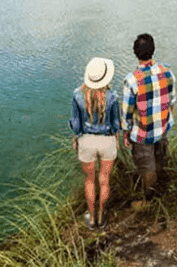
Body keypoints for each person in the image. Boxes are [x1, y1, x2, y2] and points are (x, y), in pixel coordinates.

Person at [120, 33, 176, 206]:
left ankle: (150, 202)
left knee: (147, 167)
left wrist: (126, 133)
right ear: (153, 50)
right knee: (160, 159)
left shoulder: (132, 80)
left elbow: (126, 112)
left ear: (135, 53)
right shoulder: (167, 72)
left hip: (143, 133)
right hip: (163, 127)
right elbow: (172, 100)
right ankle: (162, 191)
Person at [71, 56, 122, 229]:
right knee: (104, 180)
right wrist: (115, 137)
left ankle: (92, 219)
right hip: (107, 141)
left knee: (89, 181)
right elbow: (116, 124)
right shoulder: (112, 96)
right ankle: (101, 216)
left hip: (87, 141)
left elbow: (76, 124)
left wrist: (77, 137)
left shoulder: (78, 95)